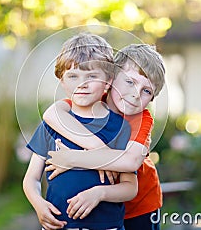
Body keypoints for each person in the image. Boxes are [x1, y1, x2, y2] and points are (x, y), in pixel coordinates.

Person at [43, 44, 166, 230]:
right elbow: (52, 114)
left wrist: (73, 159)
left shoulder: (142, 119)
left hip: (140, 206)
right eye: (130, 82)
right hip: (103, 211)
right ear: (111, 78)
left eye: (146, 91)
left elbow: (130, 162)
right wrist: (101, 152)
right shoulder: (91, 99)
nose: (135, 95)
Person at [23, 33, 138, 230]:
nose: (81, 84)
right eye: (73, 76)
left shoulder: (120, 128)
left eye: (92, 76)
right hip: (60, 225)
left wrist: (99, 193)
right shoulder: (51, 126)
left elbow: (130, 187)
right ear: (62, 80)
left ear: (108, 81)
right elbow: (31, 178)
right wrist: (39, 204)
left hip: (106, 226)